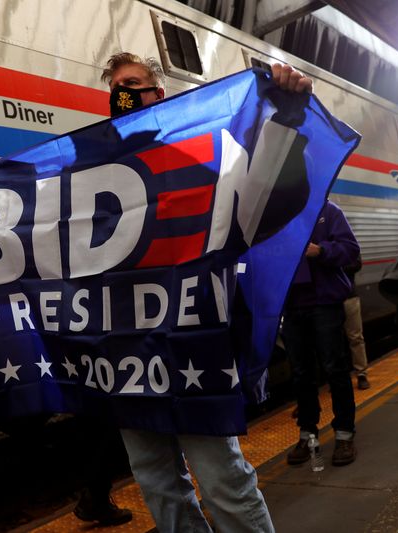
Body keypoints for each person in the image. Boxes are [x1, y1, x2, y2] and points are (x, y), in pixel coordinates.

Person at [102, 52, 312, 533]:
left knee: (222, 480)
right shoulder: (93, 170)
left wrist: (288, 115)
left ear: (160, 95)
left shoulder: (195, 155)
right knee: (156, 481)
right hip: (124, 348)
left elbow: (266, 202)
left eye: (134, 83)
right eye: (115, 87)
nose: (124, 94)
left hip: (191, 341)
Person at [283, 200, 361, 467]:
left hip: (324, 304)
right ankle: (307, 433)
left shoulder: (328, 211)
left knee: (334, 368)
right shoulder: (275, 217)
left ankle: (344, 433)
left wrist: (321, 251)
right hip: (292, 306)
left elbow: (351, 251)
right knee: (301, 373)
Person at [344, 256, 370, 390]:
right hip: (328, 300)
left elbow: (357, 263)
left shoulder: (346, 238)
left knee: (355, 337)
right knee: (332, 341)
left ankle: (361, 374)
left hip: (349, 296)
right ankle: (339, 377)